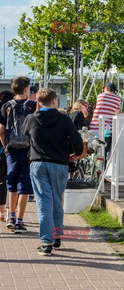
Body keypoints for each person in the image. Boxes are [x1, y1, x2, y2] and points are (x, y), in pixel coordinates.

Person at [23, 88, 83, 255]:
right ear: (55, 101)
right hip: (59, 164)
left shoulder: (31, 119)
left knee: (43, 202)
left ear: (38, 103)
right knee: (57, 200)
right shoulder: (64, 119)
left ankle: (46, 242)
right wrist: (76, 154)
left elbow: (24, 132)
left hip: (38, 164)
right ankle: (56, 237)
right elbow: (77, 139)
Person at [0, 77, 37, 233]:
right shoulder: (34, 106)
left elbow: (1, 131)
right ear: (26, 89)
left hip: (11, 151)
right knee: (24, 186)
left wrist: (6, 147)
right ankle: (20, 221)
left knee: (11, 184)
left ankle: (11, 216)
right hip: (28, 151)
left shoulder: (6, 106)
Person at [89, 82, 121, 156]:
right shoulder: (118, 99)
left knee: (92, 152)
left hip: (95, 127)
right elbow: (117, 113)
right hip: (107, 130)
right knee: (103, 153)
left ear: (107, 88)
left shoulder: (100, 96)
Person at [0, 91, 14, 222]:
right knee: (5, 181)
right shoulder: (7, 111)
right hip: (5, 150)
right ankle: (5, 212)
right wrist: (5, 146)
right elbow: (2, 131)